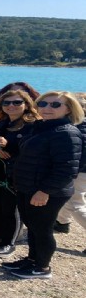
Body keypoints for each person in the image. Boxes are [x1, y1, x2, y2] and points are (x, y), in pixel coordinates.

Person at [3, 91, 84, 279]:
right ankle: (32, 260)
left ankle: (42, 267)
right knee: (32, 226)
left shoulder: (66, 133)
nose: (47, 108)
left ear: (68, 109)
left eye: (55, 105)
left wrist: (44, 191)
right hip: (28, 187)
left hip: (46, 191)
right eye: (43, 104)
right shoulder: (41, 127)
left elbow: (67, 169)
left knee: (42, 229)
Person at [0, 90, 41, 258]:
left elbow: (35, 151)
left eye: (16, 102)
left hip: (16, 173)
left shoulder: (34, 125)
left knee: (11, 208)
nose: (11, 106)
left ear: (27, 104)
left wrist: (9, 146)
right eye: (6, 103)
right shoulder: (3, 122)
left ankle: (9, 242)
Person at [54, 92, 86, 234]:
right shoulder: (79, 125)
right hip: (78, 169)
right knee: (67, 197)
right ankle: (62, 222)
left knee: (75, 203)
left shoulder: (75, 128)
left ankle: (62, 222)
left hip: (78, 171)